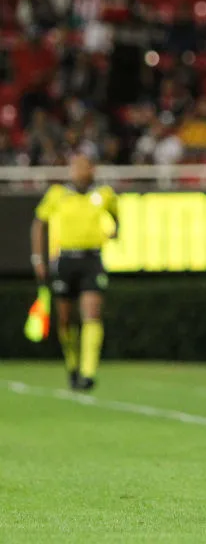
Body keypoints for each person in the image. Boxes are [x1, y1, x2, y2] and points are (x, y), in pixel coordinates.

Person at [31, 153, 117, 391]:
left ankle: (88, 373)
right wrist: (38, 257)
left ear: (92, 169)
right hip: (65, 259)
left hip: (92, 258)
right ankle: (73, 365)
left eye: (82, 166)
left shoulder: (105, 195)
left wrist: (114, 232)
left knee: (92, 313)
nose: (77, 171)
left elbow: (116, 218)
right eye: (74, 166)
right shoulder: (57, 195)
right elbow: (39, 223)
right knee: (66, 320)